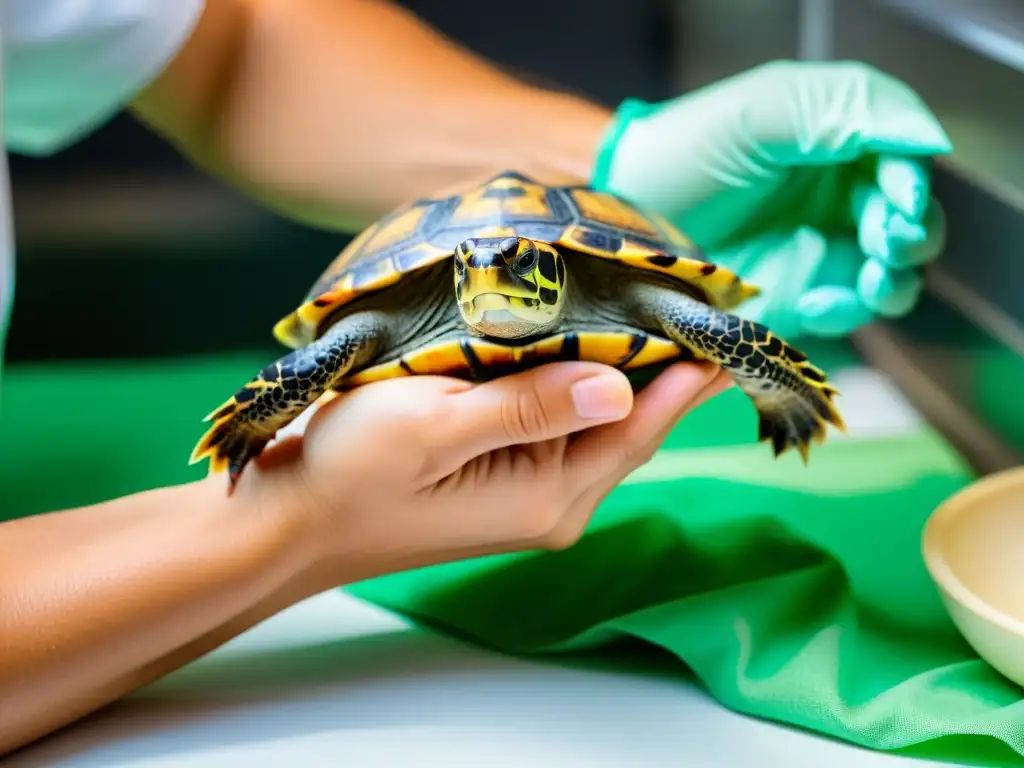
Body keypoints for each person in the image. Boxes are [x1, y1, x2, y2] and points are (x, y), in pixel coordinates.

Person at [0, 0, 950, 755]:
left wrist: (614, 168)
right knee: (335, 348)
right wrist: (288, 515)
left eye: (526, 269)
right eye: (482, 272)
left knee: (698, 320)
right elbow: (345, 334)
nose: (502, 275)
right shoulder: (399, 313)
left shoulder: (603, 290)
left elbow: (228, 38)